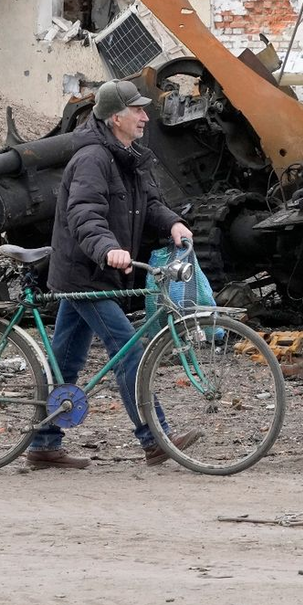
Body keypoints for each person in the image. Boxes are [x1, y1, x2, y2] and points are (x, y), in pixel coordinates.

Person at [25, 79, 199, 469]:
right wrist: (107, 249)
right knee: (128, 350)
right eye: (137, 110)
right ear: (115, 117)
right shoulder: (93, 159)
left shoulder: (128, 155)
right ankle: (155, 439)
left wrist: (173, 223)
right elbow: (84, 214)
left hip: (96, 271)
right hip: (86, 271)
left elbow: (150, 203)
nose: (144, 116)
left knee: (66, 360)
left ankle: (43, 443)